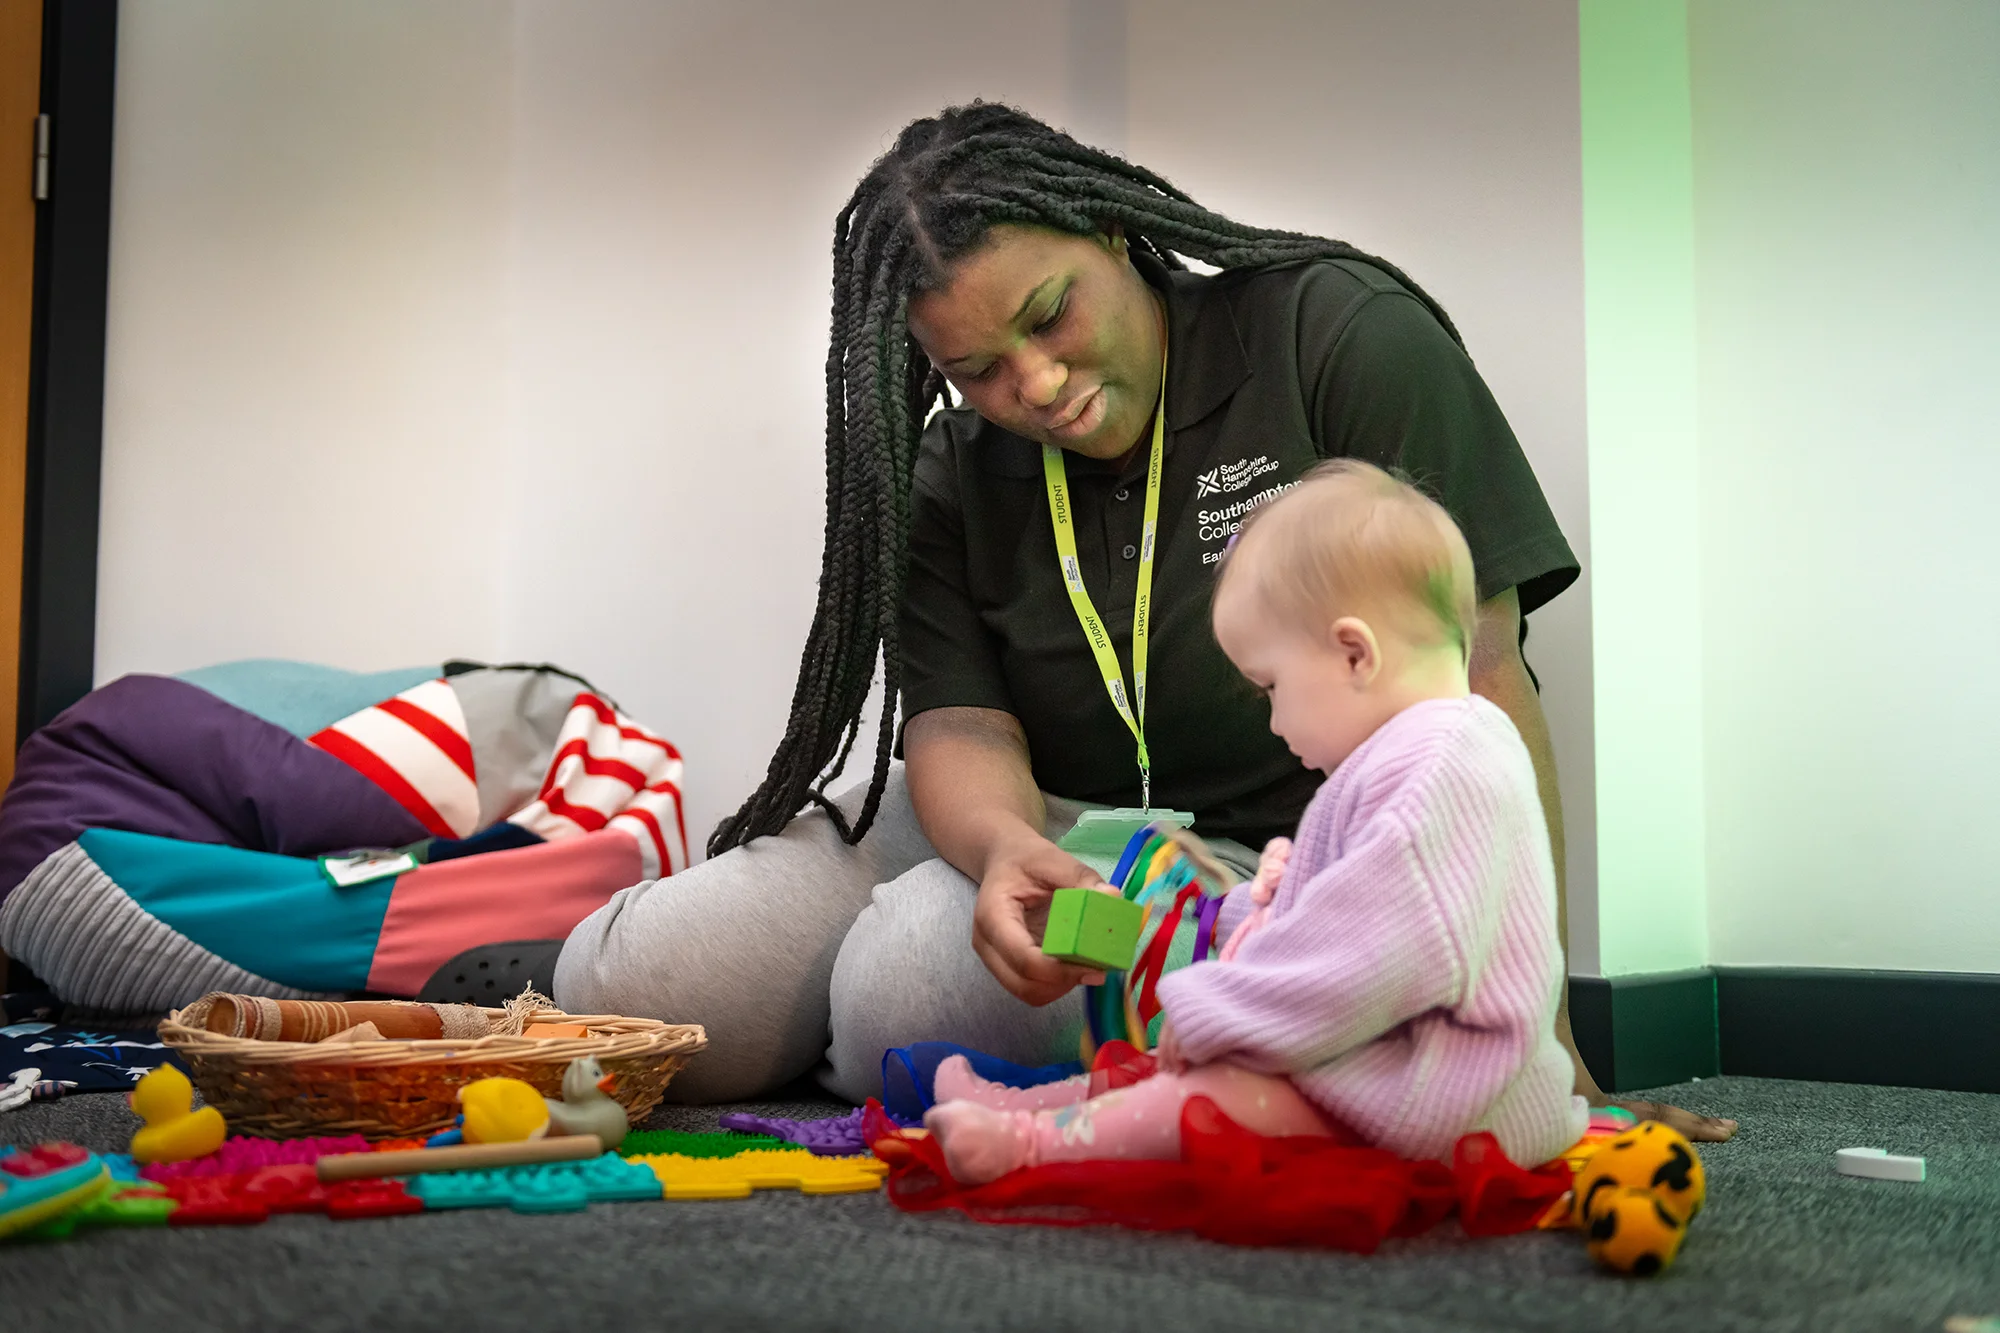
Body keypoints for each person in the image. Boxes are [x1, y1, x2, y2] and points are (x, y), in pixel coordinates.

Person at [541, 102, 1733, 1142]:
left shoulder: (1334, 335)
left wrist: (1546, 1048)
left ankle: (857, 1039)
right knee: (636, 977)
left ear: (1112, 232)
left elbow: (1476, 684)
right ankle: (813, 1033)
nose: (1037, 389)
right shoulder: (950, 469)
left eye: (1049, 316)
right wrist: (1004, 849)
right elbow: (959, 727)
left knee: (910, 978)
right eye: (979, 371)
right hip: (1019, 822)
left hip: (1258, 878)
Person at [923, 461, 1588, 1182]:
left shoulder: (1443, 769)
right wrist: (1212, 912)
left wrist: (1213, 1012)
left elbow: (1358, 961)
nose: (1273, 720)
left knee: (1216, 1092)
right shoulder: (1415, 753)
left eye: (1272, 686)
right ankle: (1032, 1106)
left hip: (1444, 1106)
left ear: (1354, 652)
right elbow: (1331, 900)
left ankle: (1032, 1145)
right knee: (1170, 1069)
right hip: (1403, 1064)